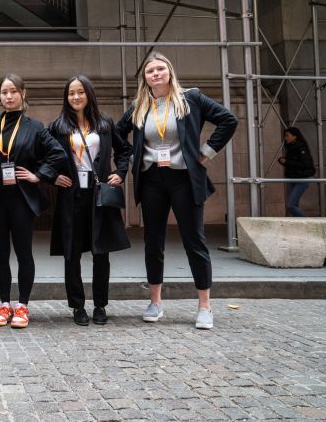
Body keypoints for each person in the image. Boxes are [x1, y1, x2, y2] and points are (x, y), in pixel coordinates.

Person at [116, 51, 237, 330]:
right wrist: (134, 157)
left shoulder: (190, 99)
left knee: (194, 241)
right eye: (150, 71)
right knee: (153, 242)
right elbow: (116, 134)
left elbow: (228, 120)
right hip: (152, 181)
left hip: (183, 179)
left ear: (169, 72)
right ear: (144, 78)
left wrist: (205, 153)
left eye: (160, 69)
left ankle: (204, 306)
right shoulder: (139, 105)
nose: (155, 74)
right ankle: (155, 302)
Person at [0, 74, 66, 329]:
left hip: (21, 199)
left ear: (23, 94)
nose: (8, 96)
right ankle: (5, 303)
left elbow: (58, 154)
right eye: (4, 92)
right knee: (0, 254)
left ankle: (23, 306)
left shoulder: (35, 127)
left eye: (13, 92)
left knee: (23, 252)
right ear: (0, 96)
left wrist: (38, 175)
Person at [48, 75, 131, 326]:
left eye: (80, 92)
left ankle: (100, 305)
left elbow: (124, 150)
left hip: (98, 195)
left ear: (89, 95)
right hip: (71, 195)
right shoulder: (57, 126)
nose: (75, 97)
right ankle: (77, 306)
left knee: (101, 252)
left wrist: (120, 172)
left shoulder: (104, 123)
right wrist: (52, 176)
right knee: (72, 253)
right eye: (71, 93)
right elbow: (40, 155)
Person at [279, 126, 315, 217]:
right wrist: (284, 161)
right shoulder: (291, 148)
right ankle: (301, 225)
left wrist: (287, 161)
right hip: (294, 178)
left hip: (302, 179)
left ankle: (307, 223)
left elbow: (305, 164)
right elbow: (295, 163)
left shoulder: (300, 148)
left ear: (294, 136)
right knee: (294, 205)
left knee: (291, 205)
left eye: (287, 135)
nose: (285, 138)